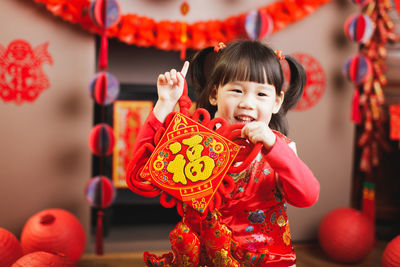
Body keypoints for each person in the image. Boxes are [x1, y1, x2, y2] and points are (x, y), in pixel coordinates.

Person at [127, 40, 320, 267]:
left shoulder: (281, 148)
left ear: (277, 101)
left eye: (261, 94)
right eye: (236, 90)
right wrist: (164, 104)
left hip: (266, 260)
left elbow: (307, 196)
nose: (247, 103)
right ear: (214, 94)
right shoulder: (195, 141)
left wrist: (272, 146)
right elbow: (140, 173)